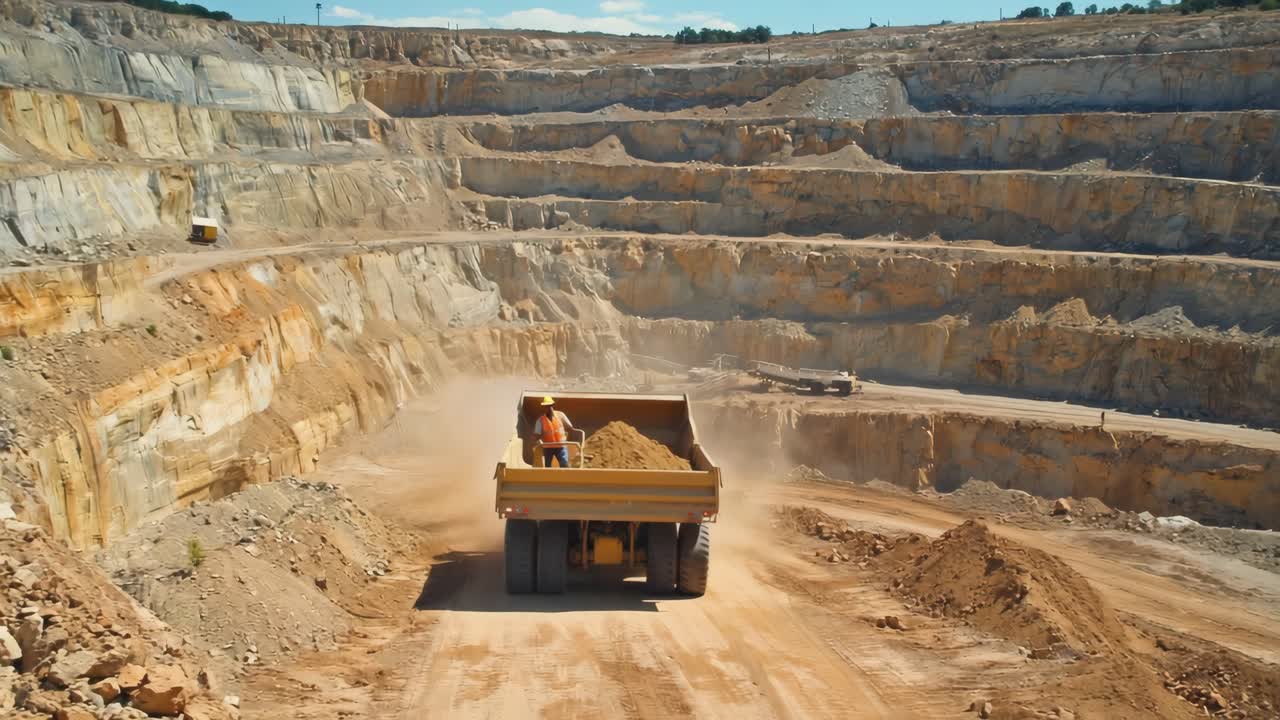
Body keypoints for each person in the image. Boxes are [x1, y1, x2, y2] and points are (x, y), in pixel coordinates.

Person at [532, 396, 575, 468]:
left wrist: (568, 436)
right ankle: (549, 478)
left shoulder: (560, 415)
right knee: (548, 465)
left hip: (561, 446)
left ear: (552, 405)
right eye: (545, 406)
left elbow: (570, 427)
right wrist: (534, 439)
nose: (547, 408)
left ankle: (564, 478)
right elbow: (537, 434)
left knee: (564, 463)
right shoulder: (540, 420)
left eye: (549, 406)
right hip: (548, 447)